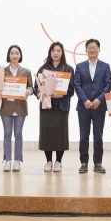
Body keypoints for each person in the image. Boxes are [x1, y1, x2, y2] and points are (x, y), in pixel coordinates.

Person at [34, 41, 75, 172]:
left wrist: (61, 95)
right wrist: (41, 94)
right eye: (53, 51)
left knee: (60, 134)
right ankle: (48, 161)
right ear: (50, 52)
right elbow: (36, 88)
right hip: (46, 106)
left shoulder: (68, 69)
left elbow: (72, 90)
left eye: (58, 50)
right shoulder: (43, 69)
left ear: (62, 53)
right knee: (47, 133)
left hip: (62, 106)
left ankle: (58, 161)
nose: (55, 53)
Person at [73, 39, 111, 174]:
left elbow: (108, 85)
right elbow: (77, 85)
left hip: (99, 107)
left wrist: (99, 100)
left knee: (98, 136)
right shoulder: (79, 66)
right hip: (83, 107)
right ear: (86, 51)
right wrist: (85, 100)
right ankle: (83, 163)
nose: (92, 50)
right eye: (90, 48)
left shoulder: (105, 66)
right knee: (83, 136)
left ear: (99, 50)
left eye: (95, 48)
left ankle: (98, 163)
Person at [0, 45, 33, 172]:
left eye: (16, 53)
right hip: (6, 106)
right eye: (12, 53)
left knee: (18, 134)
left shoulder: (26, 71)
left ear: (20, 55)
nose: (14, 55)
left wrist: (28, 92)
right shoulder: (2, 71)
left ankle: (17, 161)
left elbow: (31, 87)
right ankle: (7, 160)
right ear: (8, 55)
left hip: (20, 106)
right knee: (7, 134)